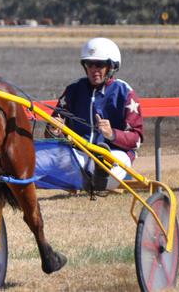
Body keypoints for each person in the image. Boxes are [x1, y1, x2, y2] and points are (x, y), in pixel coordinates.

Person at [46, 37, 144, 191]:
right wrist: (53, 129)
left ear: (111, 66)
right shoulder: (73, 90)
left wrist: (112, 134)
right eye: (89, 64)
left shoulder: (124, 92)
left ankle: (97, 177)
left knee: (112, 162)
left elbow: (136, 140)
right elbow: (51, 129)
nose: (93, 69)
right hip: (79, 153)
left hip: (114, 154)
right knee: (46, 157)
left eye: (99, 64)